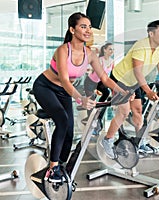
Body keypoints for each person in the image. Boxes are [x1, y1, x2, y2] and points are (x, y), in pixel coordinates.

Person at [32, 12, 123, 183]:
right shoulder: (62, 50)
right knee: (62, 120)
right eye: (83, 26)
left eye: (89, 27)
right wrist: (81, 98)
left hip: (65, 91)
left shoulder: (90, 53)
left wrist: (122, 91)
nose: (88, 30)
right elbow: (65, 80)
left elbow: (104, 78)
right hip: (45, 87)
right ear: (72, 30)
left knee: (70, 129)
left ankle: (62, 165)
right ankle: (52, 169)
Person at [101, 20, 159, 158]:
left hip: (135, 82)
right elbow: (138, 71)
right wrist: (148, 91)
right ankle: (107, 140)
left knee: (138, 111)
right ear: (151, 33)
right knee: (124, 112)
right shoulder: (141, 46)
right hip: (120, 79)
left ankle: (140, 141)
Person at [83, 43, 114, 132]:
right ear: (104, 50)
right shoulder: (100, 60)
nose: (112, 51)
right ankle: (89, 120)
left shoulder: (112, 61)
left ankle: (98, 112)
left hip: (99, 82)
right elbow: (101, 75)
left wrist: (114, 88)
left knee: (107, 93)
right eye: (110, 49)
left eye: (113, 50)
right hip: (90, 82)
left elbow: (111, 76)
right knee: (91, 101)